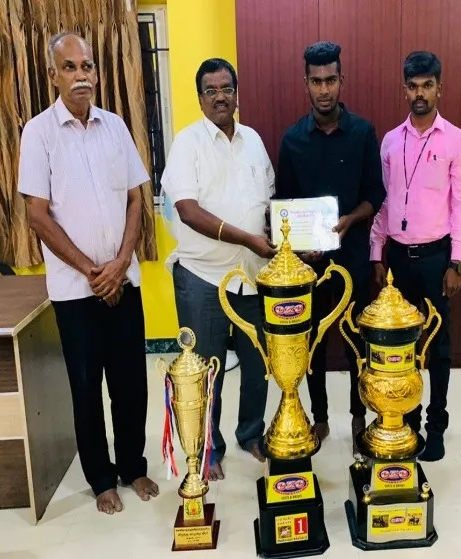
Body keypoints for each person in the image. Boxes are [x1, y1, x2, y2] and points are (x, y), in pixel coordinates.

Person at [18, 31, 159, 514]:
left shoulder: (115, 127)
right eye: (71, 67)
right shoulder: (38, 133)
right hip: (75, 291)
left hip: (124, 280)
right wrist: (93, 271)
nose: (82, 76)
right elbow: (37, 215)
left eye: (87, 66)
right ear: (53, 76)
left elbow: (136, 199)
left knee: (131, 383)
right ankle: (101, 479)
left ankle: (133, 466)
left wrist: (119, 264)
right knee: (86, 389)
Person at [161, 58, 275, 480]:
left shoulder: (254, 141)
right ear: (200, 98)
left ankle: (251, 434)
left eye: (227, 88)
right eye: (211, 90)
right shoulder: (187, 143)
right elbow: (188, 211)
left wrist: (285, 234)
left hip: (252, 276)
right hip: (202, 277)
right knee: (207, 369)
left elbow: (269, 202)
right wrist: (246, 237)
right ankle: (208, 448)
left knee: (258, 366)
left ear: (237, 92)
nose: (220, 97)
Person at [275, 41, 385, 445]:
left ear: (342, 80)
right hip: (309, 262)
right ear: (305, 83)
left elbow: (375, 193)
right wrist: (299, 245)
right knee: (314, 341)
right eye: (316, 81)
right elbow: (283, 204)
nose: (324, 89)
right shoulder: (292, 140)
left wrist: (351, 220)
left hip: (352, 256)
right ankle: (319, 416)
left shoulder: (362, 133)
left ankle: (358, 415)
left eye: (331, 80)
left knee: (356, 339)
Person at [370, 51, 461, 462]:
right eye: (413, 86)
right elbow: (384, 202)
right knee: (402, 346)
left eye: (427, 86)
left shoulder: (456, 140)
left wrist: (457, 261)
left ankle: (437, 427)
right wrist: (377, 254)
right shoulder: (391, 141)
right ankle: (405, 420)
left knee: (438, 347)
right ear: (404, 89)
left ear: (439, 88)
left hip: (436, 259)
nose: (420, 94)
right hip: (397, 261)